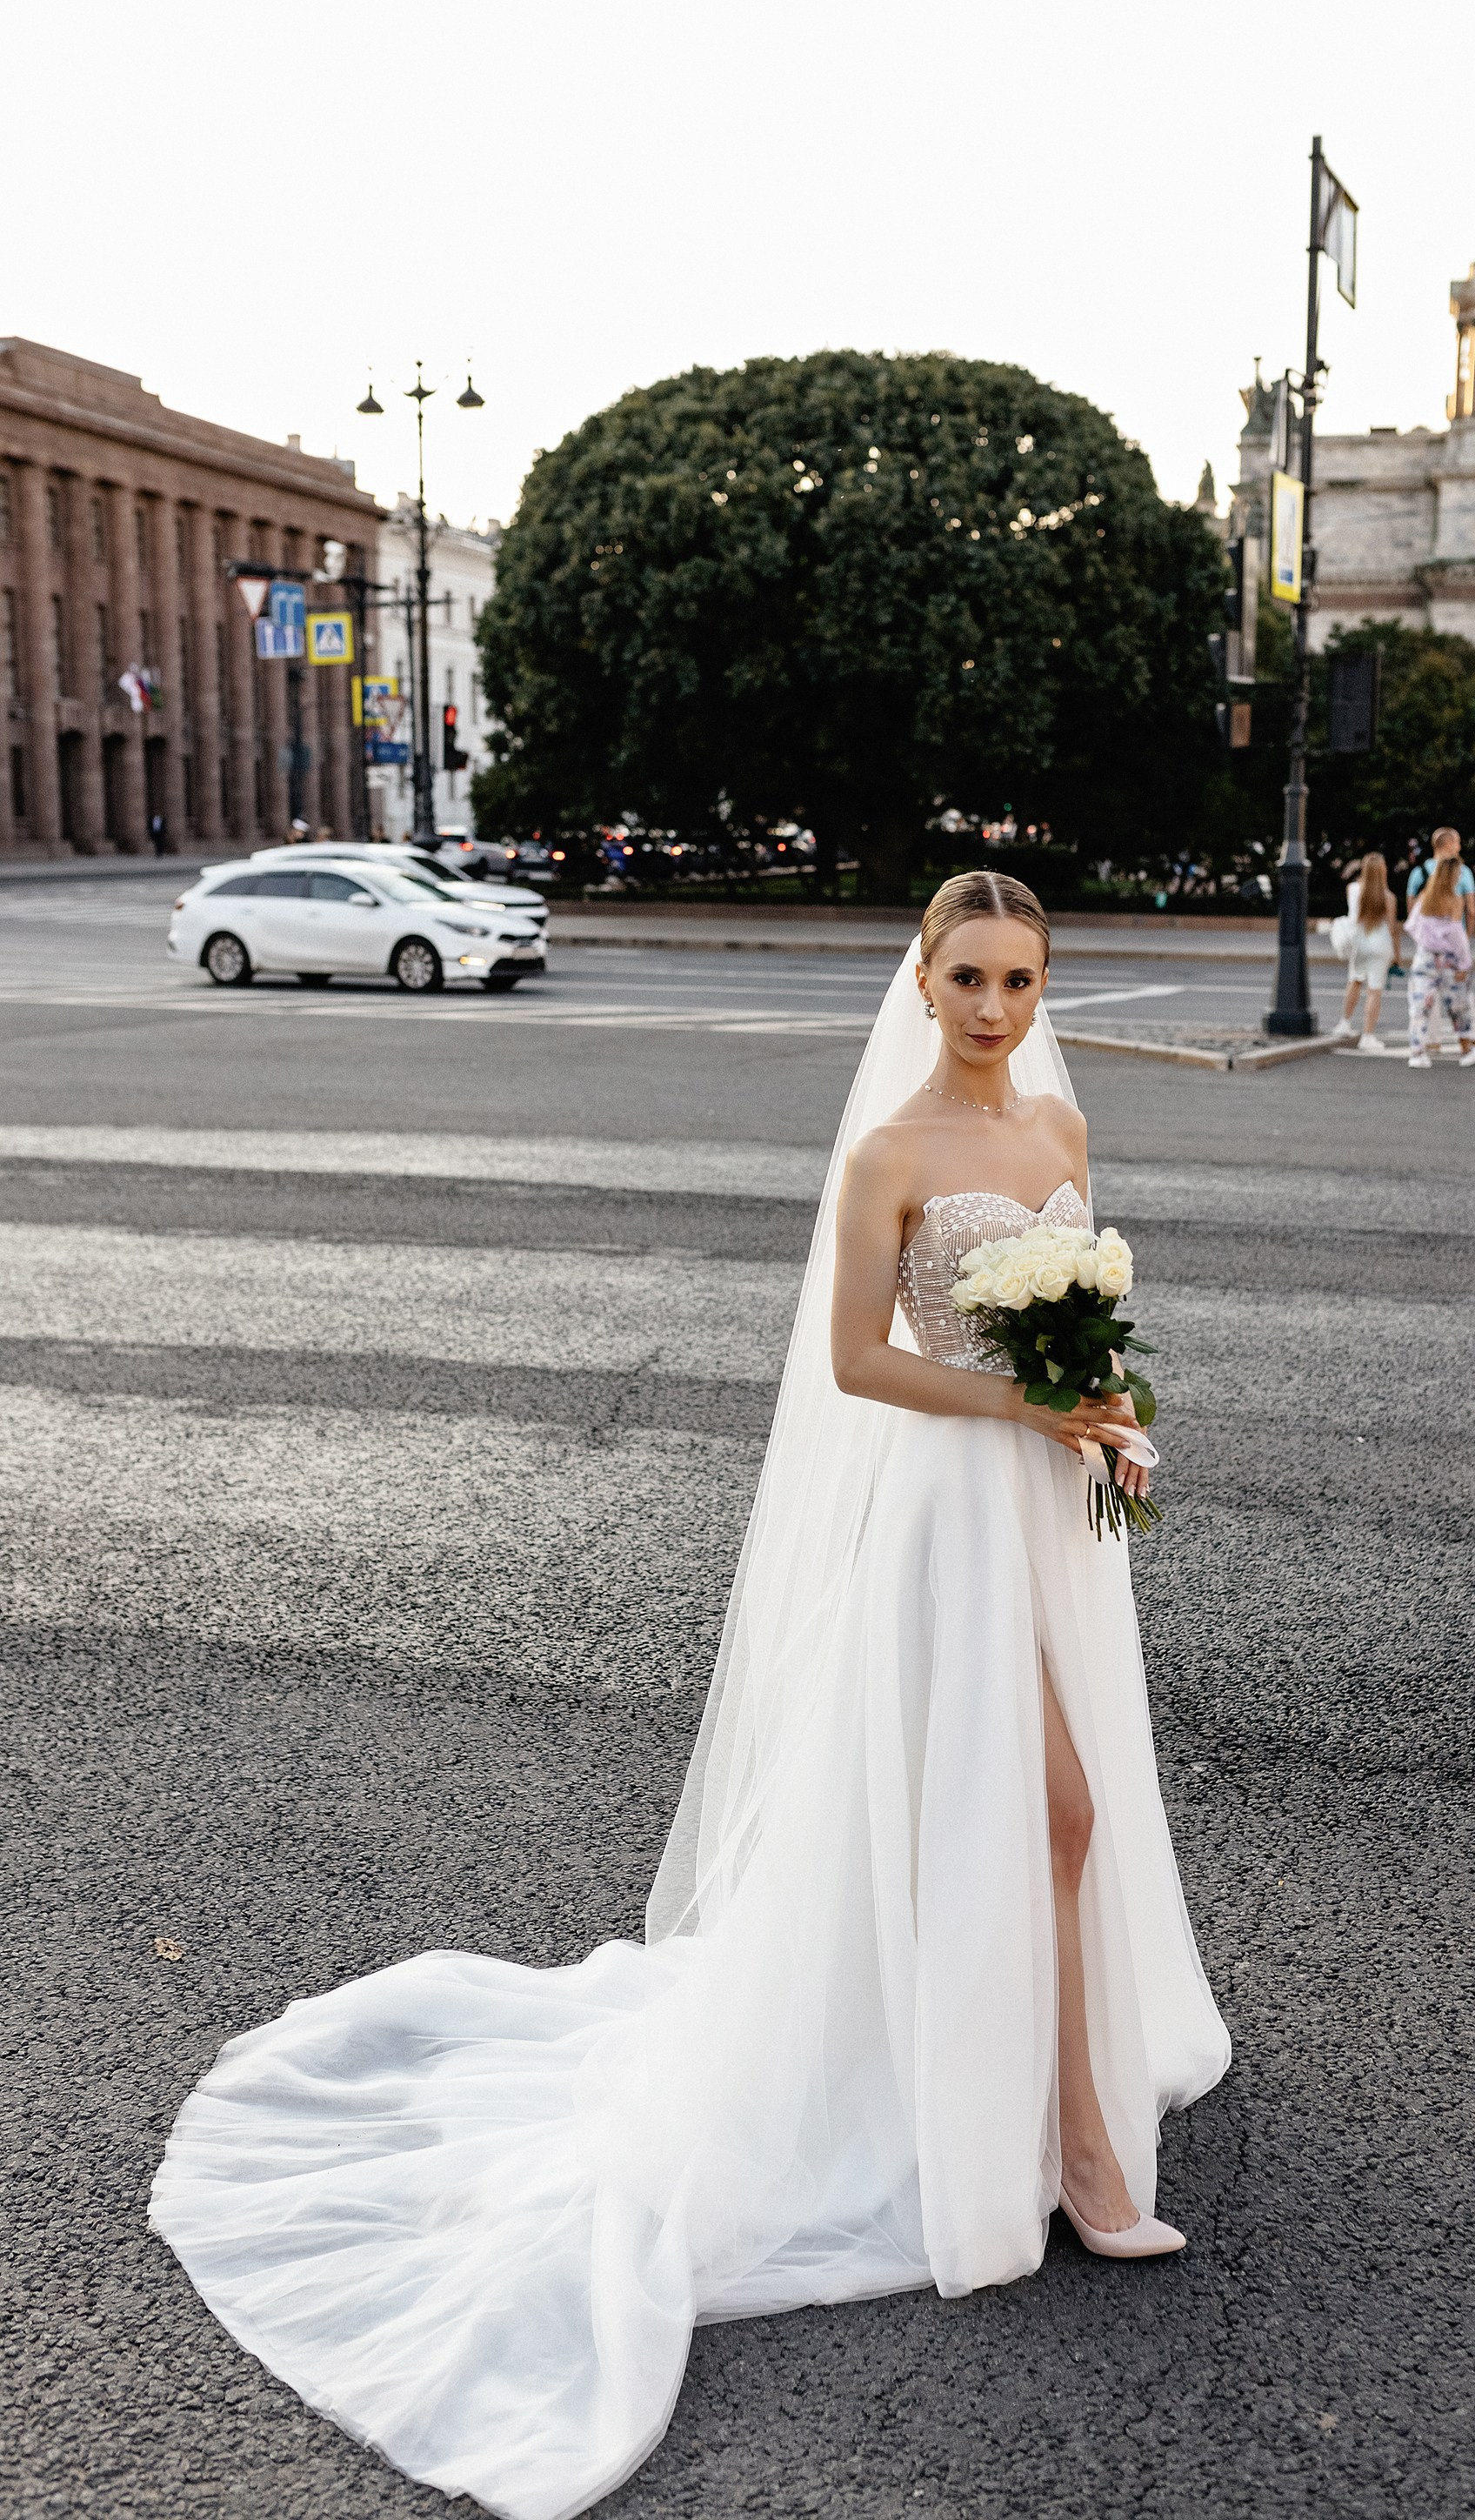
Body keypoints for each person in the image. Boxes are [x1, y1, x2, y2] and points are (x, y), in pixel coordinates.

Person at [149, 871, 1231, 2520]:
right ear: (922, 982)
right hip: (945, 1508)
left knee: (1050, 1814)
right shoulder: (889, 1155)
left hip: (1043, 1522)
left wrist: (1100, 1418)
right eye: (969, 979)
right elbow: (860, 1362)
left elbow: (1082, 1327)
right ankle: (1064, 2149)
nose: (997, 1009)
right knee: (1035, 1811)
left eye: (1020, 980)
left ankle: (1038, 2112)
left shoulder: (1063, 1137)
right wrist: (1022, 1415)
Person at [1405, 854, 1475, 1069]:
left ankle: (1417, 1052)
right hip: (1449, 960)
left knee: (1420, 1005)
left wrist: (1426, 941)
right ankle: (1467, 1047)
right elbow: (1457, 936)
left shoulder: (1425, 897)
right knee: (1458, 1005)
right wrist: (1464, 963)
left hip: (1425, 957)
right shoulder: (1454, 900)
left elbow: (1412, 925)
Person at [1333, 852, 1401, 1052]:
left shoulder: (1353, 889)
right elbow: (1392, 929)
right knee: (1374, 990)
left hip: (1359, 944)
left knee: (1354, 982)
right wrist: (1397, 955)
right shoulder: (1389, 897)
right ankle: (1368, 1036)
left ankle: (1344, 1023)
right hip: (1381, 945)